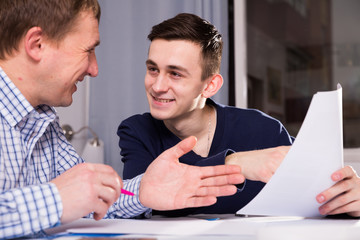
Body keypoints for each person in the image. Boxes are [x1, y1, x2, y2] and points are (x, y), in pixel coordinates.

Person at [0, 2, 245, 239]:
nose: (94, 69)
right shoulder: (135, 129)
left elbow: (89, 197)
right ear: (37, 44)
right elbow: (65, 197)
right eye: (88, 50)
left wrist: (142, 192)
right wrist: (55, 199)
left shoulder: (43, 119)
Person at [118, 13, 360, 217]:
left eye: (175, 74)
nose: (157, 86)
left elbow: (319, 196)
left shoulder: (263, 129)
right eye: (153, 69)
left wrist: (348, 199)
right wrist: (236, 163)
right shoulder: (136, 131)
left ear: (210, 85)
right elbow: (131, 202)